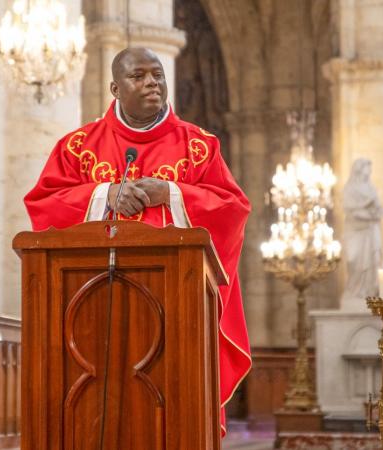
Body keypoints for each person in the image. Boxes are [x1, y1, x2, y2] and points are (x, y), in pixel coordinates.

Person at [24, 47, 251, 435]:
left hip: (178, 310)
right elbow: (42, 205)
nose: (152, 83)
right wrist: (103, 195)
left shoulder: (198, 147)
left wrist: (173, 193)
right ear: (115, 87)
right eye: (139, 76)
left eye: (157, 75)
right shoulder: (77, 147)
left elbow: (233, 209)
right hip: (92, 312)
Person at [341, 158, 383, 307]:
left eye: (370, 171)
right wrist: (366, 206)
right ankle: (355, 292)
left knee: (373, 261)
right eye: (367, 169)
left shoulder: (371, 188)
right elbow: (348, 209)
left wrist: (376, 213)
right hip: (355, 231)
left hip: (370, 231)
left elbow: (378, 208)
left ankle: (369, 292)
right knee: (353, 261)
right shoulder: (349, 189)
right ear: (359, 170)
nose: (369, 173)